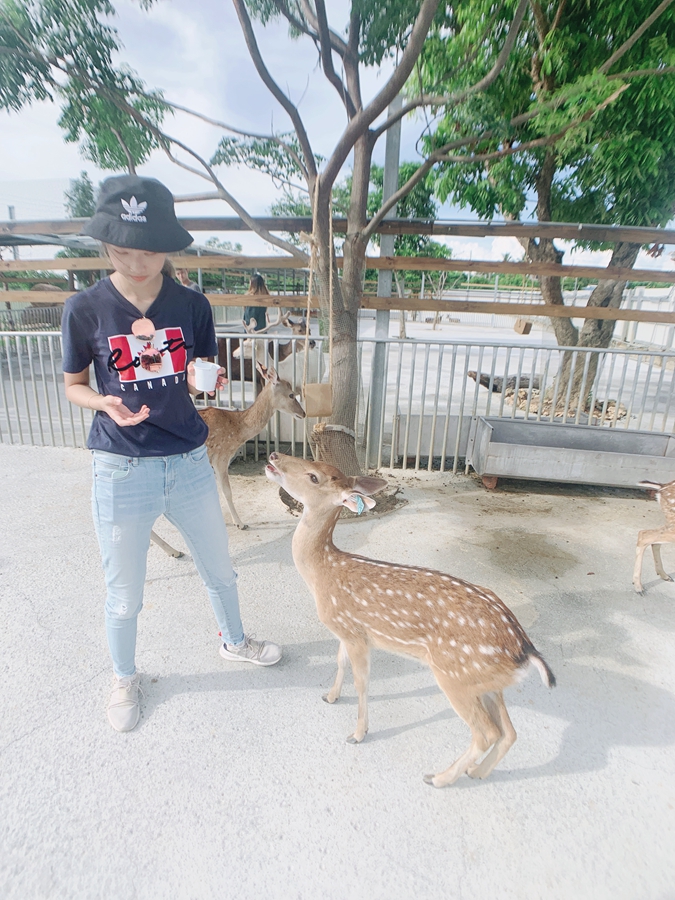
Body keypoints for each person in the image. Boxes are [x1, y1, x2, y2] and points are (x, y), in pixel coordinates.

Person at [62, 174, 281, 733]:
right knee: (124, 593)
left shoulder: (192, 304)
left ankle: (234, 640)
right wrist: (105, 404)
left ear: (168, 246)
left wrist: (211, 380)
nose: (137, 262)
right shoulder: (85, 309)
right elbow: (73, 385)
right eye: (122, 251)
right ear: (106, 247)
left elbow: (200, 377)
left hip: (187, 461)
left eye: (150, 250)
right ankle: (124, 675)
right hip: (121, 464)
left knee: (220, 569)